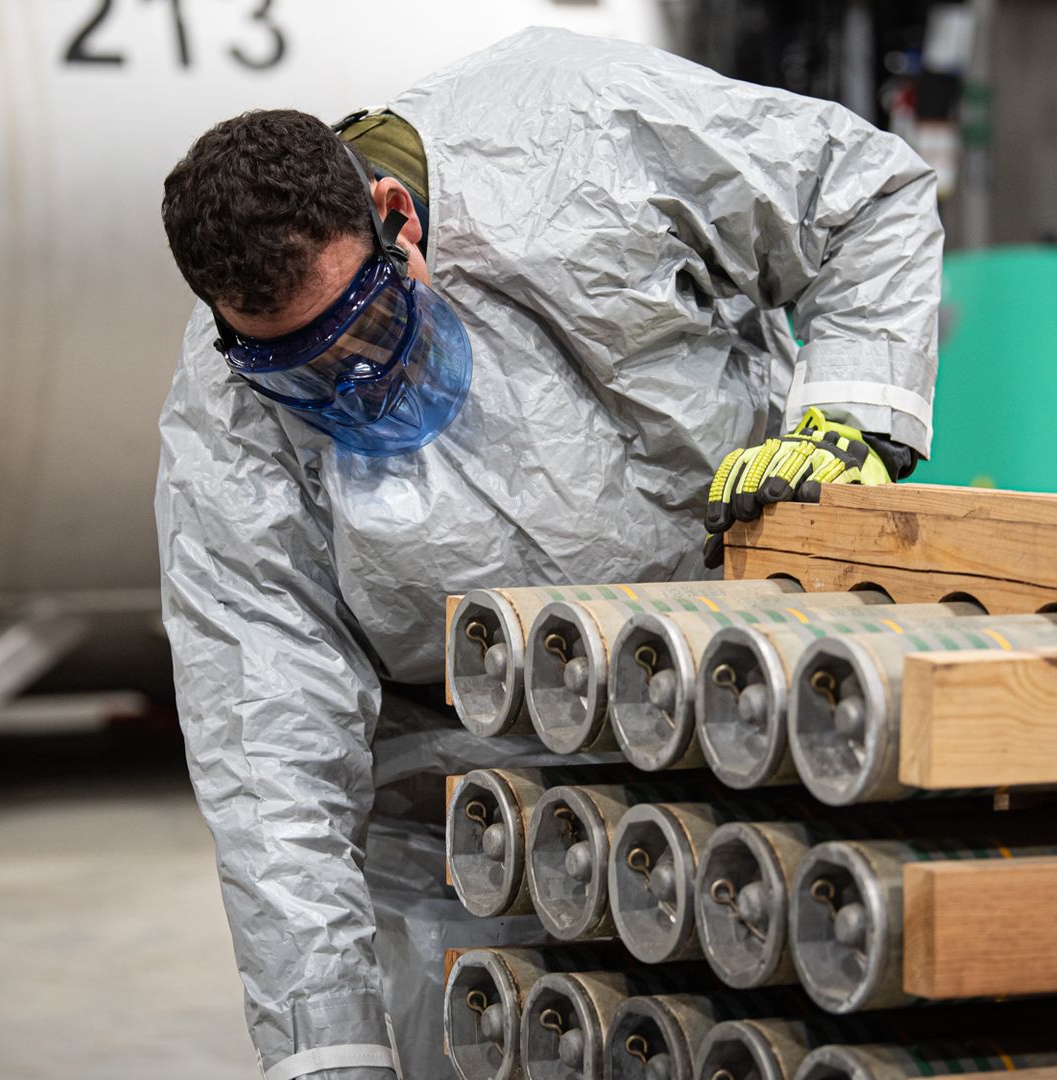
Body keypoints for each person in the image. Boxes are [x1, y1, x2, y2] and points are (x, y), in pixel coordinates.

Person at [156, 28, 940, 1080]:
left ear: (397, 223)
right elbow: (267, 757)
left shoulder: (583, 128)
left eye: (363, 328)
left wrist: (847, 416)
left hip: (734, 717)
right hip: (468, 809)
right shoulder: (230, 415)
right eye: (297, 366)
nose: (351, 386)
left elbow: (863, 193)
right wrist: (328, 1052)